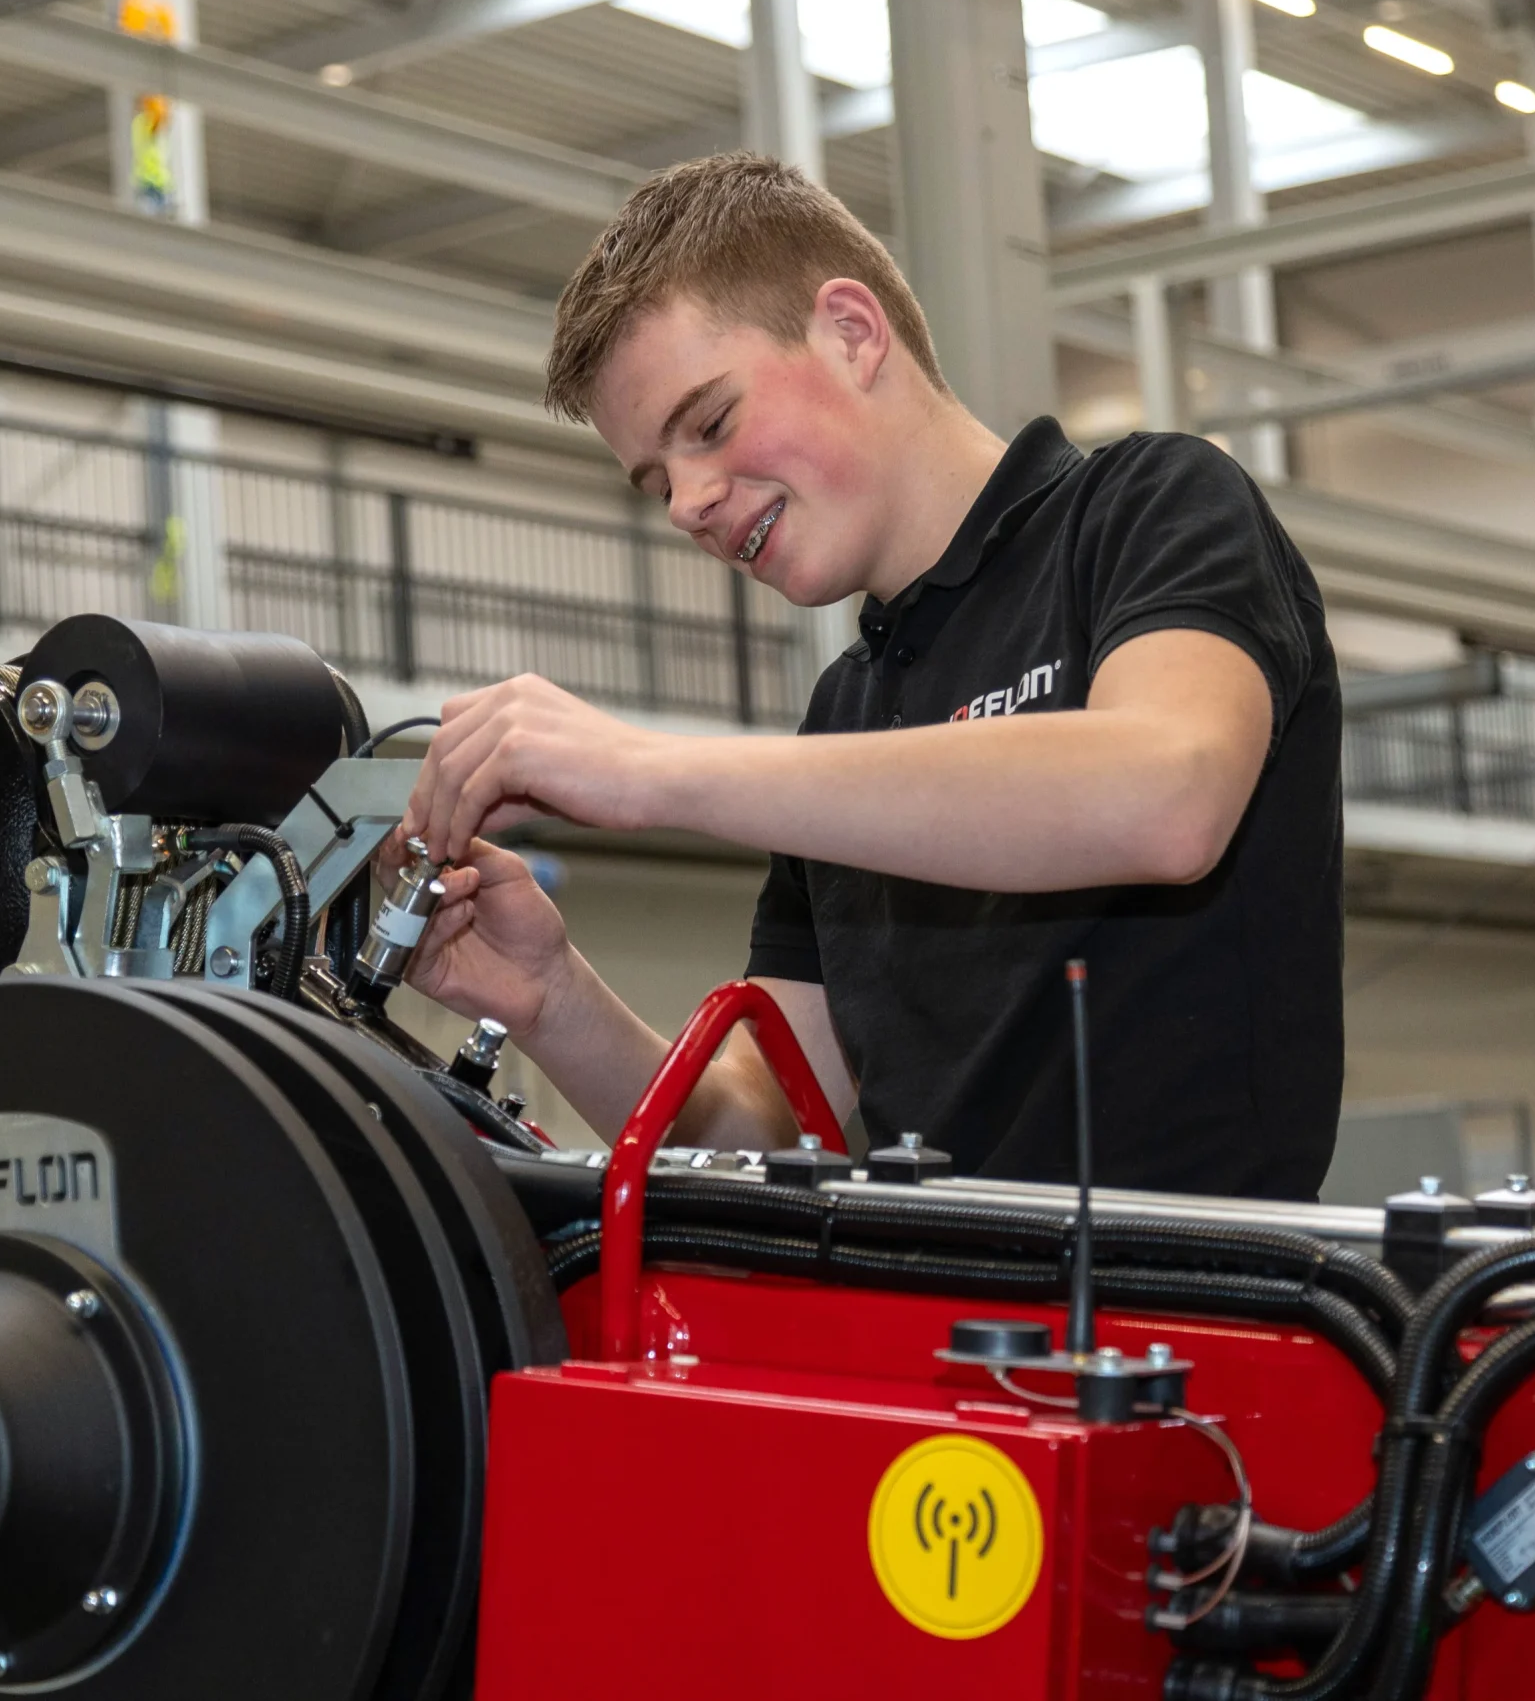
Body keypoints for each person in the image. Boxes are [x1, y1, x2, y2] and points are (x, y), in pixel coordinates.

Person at [390, 153, 1342, 1200]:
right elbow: (764, 1128)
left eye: (708, 424)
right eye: (656, 479)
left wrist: (653, 771)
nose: (687, 504)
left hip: (1195, 1328)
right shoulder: (847, 713)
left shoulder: (1149, 512)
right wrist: (552, 998)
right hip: (921, 1326)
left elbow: (1167, 792)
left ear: (852, 332)